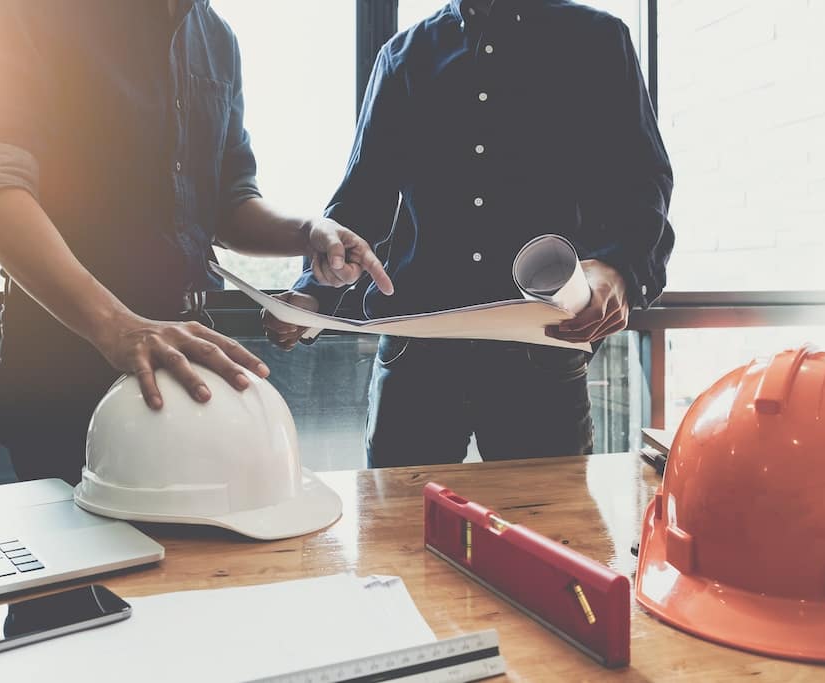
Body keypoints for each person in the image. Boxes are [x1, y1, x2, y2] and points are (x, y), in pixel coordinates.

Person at [0, 0, 392, 483]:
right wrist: (117, 326)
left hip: (185, 354)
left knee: (199, 551)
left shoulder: (217, 37)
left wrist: (308, 232)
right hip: (64, 361)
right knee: (85, 550)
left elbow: (229, 202)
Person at [264, 0, 674, 467]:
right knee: (398, 531)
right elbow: (362, 199)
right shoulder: (401, 56)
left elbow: (642, 183)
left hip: (540, 352)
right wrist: (311, 294)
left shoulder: (597, 41)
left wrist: (619, 268)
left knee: (543, 532)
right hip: (415, 360)